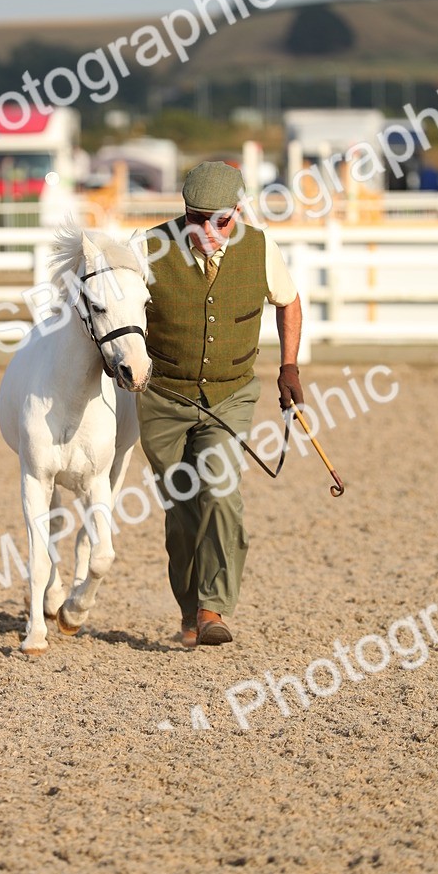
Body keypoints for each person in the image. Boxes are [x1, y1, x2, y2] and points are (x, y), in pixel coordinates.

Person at [137, 161, 303, 647]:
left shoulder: (261, 246)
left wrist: (288, 366)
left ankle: (213, 610)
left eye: (221, 221)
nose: (208, 231)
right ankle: (189, 613)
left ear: (240, 211)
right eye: (196, 218)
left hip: (230, 393)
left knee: (221, 490)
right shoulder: (145, 249)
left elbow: (288, 302)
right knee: (182, 507)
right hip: (164, 394)